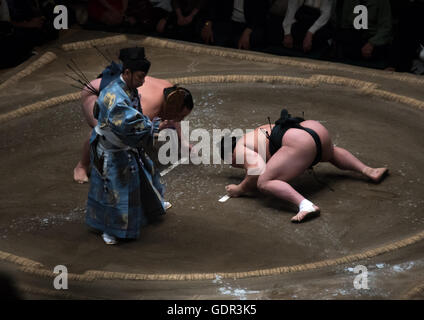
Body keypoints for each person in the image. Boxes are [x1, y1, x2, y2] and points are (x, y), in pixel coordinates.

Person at [221, 109, 388, 223]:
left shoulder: (238, 147)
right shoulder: (256, 132)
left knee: (264, 182)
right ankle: (369, 170)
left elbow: (256, 170)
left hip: (300, 143)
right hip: (314, 129)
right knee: (331, 153)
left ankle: (306, 205)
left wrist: (240, 189)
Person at [86, 47, 166, 245]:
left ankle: (152, 208)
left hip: (124, 146)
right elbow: (128, 123)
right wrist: (153, 126)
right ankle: (110, 230)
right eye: (140, 76)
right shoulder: (115, 95)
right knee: (114, 192)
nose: (143, 81)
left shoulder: (129, 89)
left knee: (146, 173)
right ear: (127, 73)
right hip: (111, 149)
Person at [73, 59, 194, 184]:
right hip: (96, 92)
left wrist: (184, 142)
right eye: (180, 116)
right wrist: (154, 130)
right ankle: (81, 166)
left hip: (118, 88)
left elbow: (174, 118)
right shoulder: (147, 108)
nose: (180, 120)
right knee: (104, 129)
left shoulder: (173, 94)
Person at [200, 0, 269, 50]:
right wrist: (207, 24)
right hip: (228, 22)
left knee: (241, 43)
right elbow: (212, 6)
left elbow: (260, 15)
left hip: (250, 25)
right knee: (214, 39)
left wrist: (247, 32)